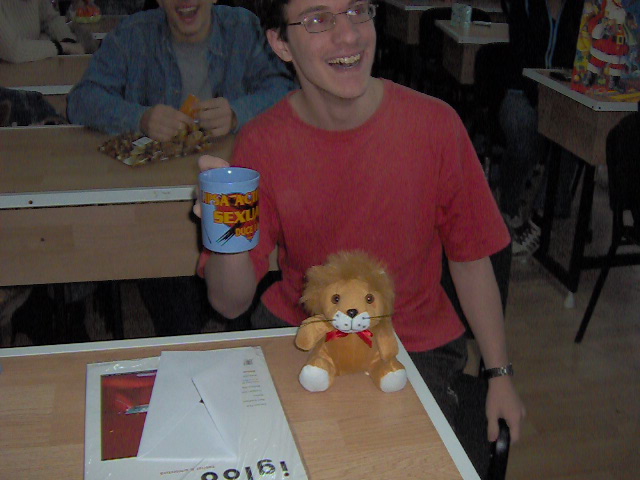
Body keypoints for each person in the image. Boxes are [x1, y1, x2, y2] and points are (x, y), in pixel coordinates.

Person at [194, 0, 525, 470]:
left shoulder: (435, 126)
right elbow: (229, 303)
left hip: (410, 346)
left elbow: (471, 258)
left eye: (357, 11)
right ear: (281, 43)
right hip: (300, 334)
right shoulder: (262, 142)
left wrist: (500, 374)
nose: (348, 35)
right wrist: (226, 231)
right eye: (318, 19)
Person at [67, 0, 295, 141]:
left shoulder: (244, 29)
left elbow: (285, 92)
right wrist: (140, 119)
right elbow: (81, 100)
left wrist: (237, 115)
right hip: (152, 181)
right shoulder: (131, 35)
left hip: (228, 175)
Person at [498, 0, 584, 255]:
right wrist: (541, 100)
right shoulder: (524, 5)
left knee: (574, 138)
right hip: (520, 93)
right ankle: (508, 205)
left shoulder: (580, 11)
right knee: (524, 132)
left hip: (559, 98)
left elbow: (578, 62)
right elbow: (519, 59)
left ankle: (540, 215)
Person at [0, 0, 86, 63]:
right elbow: (14, 50)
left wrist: (68, 40)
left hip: (33, 67)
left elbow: (51, 19)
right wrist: (62, 47)